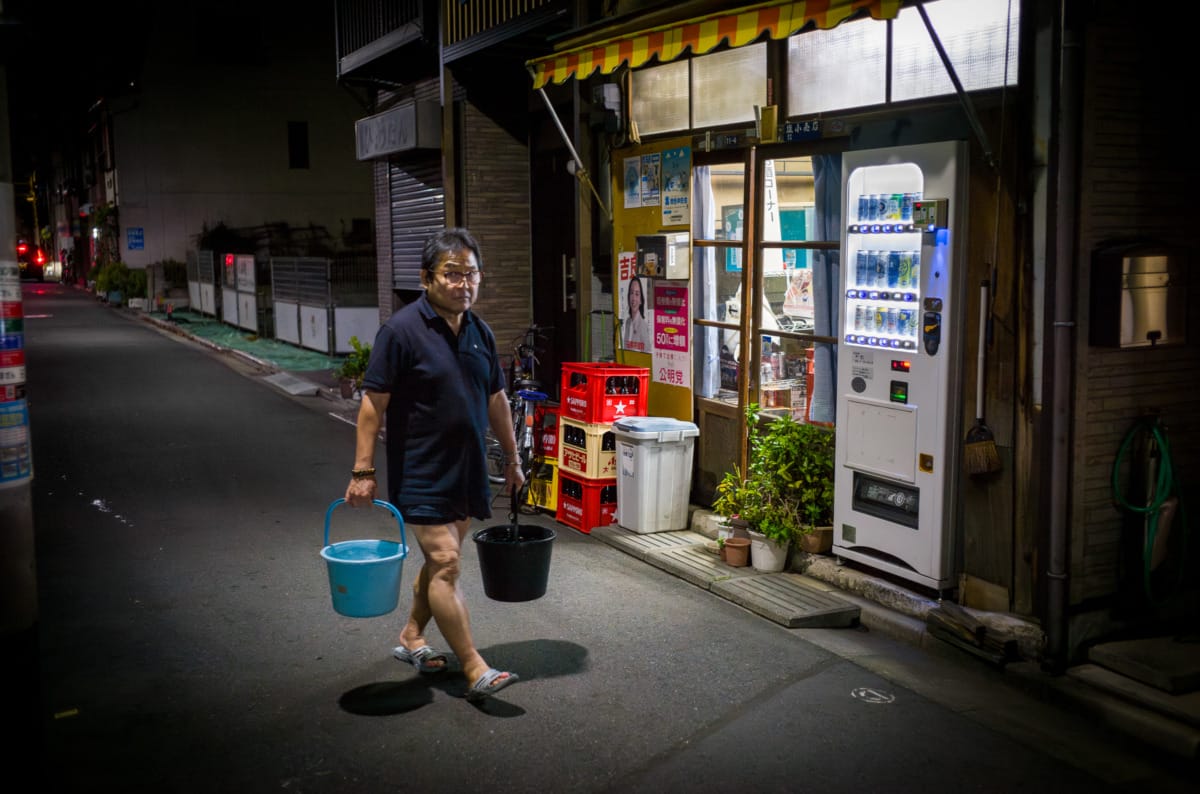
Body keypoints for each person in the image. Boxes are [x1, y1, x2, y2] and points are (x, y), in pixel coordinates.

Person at [345, 227, 525, 702]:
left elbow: (497, 399)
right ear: (427, 278)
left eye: (471, 274)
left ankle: (411, 636)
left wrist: (512, 456)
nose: (463, 283)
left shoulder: (479, 332)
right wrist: (363, 471)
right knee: (445, 562)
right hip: (421, 469)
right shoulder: (400, 331)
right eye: (452, 273)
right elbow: (372, 405)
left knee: (441, 562)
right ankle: (474, 667)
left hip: (465, 469)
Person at [623, 275, 649, 352]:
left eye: (637, 294)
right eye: (631, 293)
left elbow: (647, 351)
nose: (633, 298)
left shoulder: (642, 325)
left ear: (641, 300)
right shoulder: (628, 322)